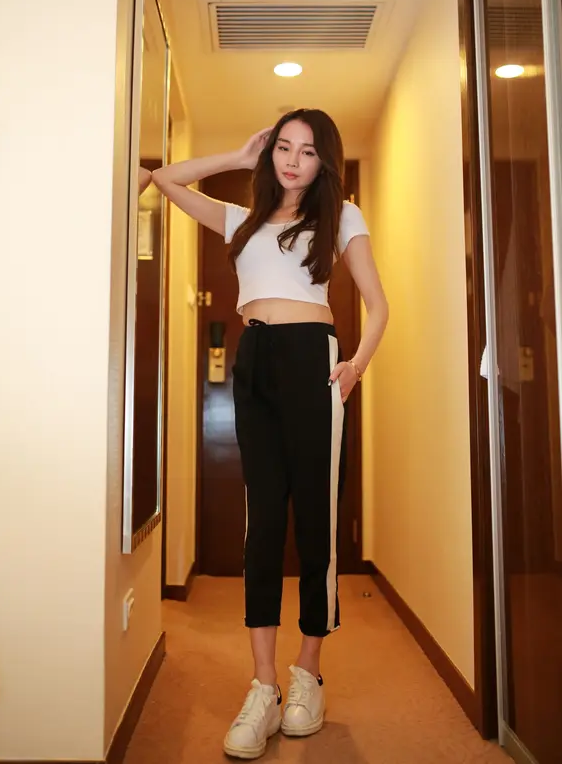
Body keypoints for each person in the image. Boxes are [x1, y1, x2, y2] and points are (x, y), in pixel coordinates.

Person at [152, 109, 388, 760]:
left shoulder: (342, 215)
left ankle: (308, 671)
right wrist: (235, 158)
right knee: (261, 525)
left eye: (307, 151)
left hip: (314, 359)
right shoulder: (242, 220)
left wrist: (357, 365)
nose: (292, 160)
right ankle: (263, 687)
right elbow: (164, 179)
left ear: (323, 161)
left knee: (315, 520)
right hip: (254, 360)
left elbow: (378, 303)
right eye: (283, 147)